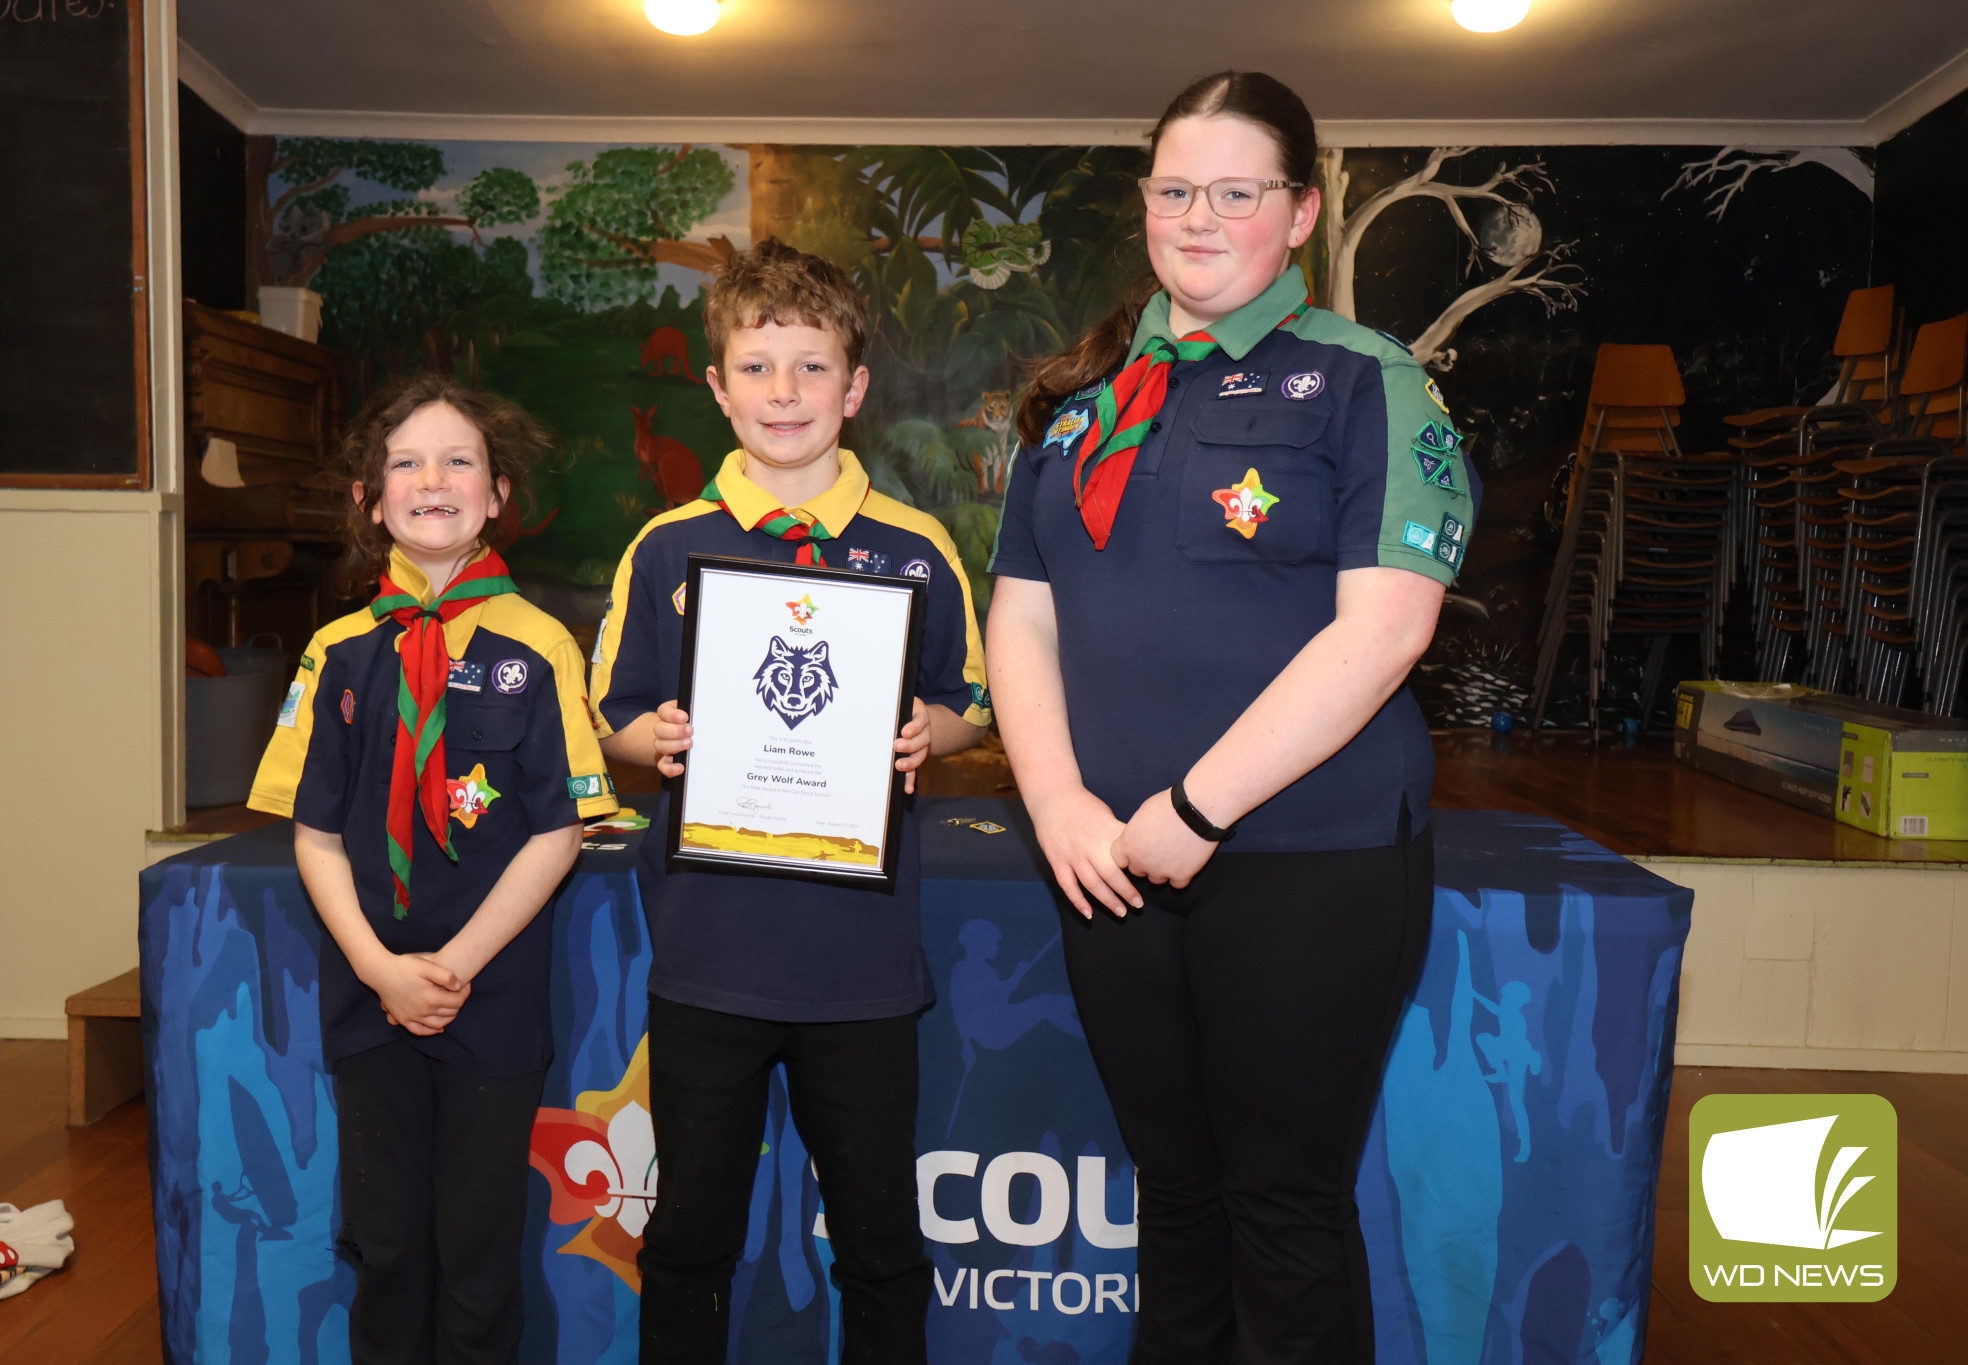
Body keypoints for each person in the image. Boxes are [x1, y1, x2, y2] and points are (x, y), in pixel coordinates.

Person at [985, 71, 1478, 1364]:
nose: (1198, 217)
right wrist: (1056, 808)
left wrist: (1200, 807)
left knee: (1283, 1209)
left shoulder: (1368, 384)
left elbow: (1387, 629)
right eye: (1174, 189)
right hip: (1108, 871)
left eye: (1237, 192)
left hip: (1309, 865)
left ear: (1301, 212)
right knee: (1178, 1203)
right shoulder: (1080, 410)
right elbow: (1022, 618)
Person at [591, 237, 990, 1364]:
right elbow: (611, 712)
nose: (784, 393)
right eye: (757, 368)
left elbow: (970, 701)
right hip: (709, 953)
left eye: (811, 368)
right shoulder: (667, 547)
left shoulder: (912, 548)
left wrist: (931, 731)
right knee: (687, 1240)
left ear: (854, 388)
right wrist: (650, 739)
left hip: (858, 963)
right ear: (716, 387)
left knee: (878, 1242)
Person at [249, 374, 618, 1365]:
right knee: (386, 1243)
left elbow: (557, 829)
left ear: (498, 494)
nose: (432, 478)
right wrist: (381, 969)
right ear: (372, 501)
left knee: (478, 1251)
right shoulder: (336, 652)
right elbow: (313, 832)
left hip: (488, 1004)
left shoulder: (538, 648)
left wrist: (450, 966)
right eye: (405, 462)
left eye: (460, 459)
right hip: (368, 1003)